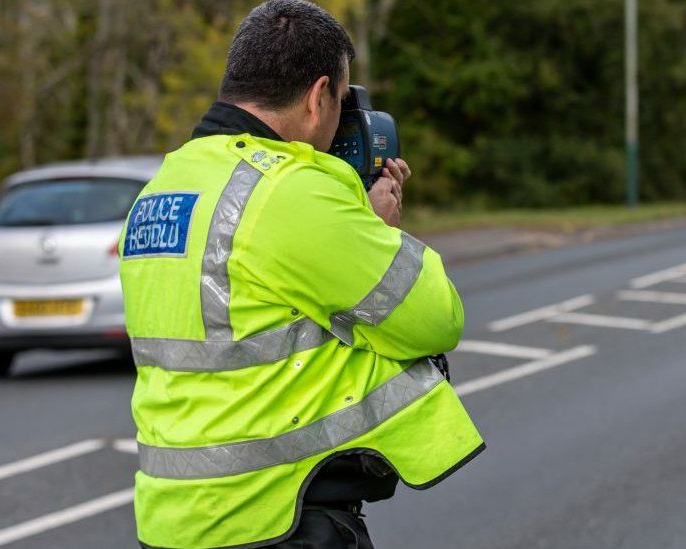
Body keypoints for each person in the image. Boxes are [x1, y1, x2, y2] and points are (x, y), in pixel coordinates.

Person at [118, 1, 485, 547]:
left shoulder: (166, 186)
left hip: (174, 521)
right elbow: (434, 318)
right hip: (276, 516)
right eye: (341, 100)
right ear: (318, 97)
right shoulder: (289, 190)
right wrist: (376, 226)